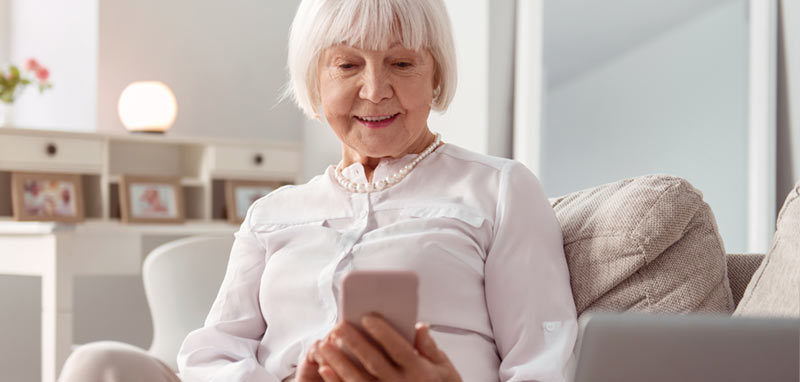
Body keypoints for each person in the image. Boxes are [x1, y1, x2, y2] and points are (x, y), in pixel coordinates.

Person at [58, 0, 577, 381]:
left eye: (402, 63)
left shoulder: (499, 188)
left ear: (435, 75)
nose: (375, 90)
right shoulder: (272, 213)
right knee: (93, 364)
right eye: (348, 65)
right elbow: (210, 352)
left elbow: (545, 359)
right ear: (316, 81)